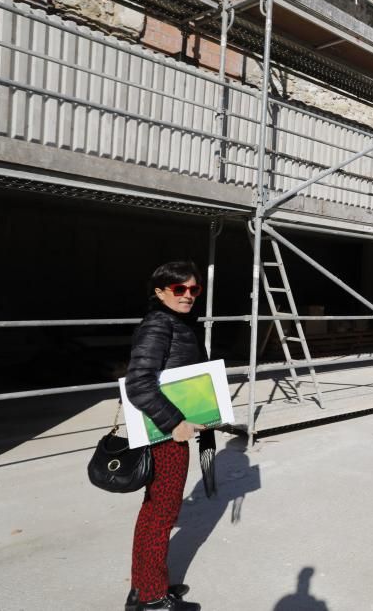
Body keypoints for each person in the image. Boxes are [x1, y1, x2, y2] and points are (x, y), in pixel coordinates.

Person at [124, 261, 209, 611]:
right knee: (160, 515)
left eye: (193, 289)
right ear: (160, 292)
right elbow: (138, 384)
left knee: (155, 512)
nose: (188, 295)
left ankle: (145, 586)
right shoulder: (160, 324)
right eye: (179, 289)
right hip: (164, 436)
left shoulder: (177, 322)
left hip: (170, 431)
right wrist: (175, 422)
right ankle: (153, 599)